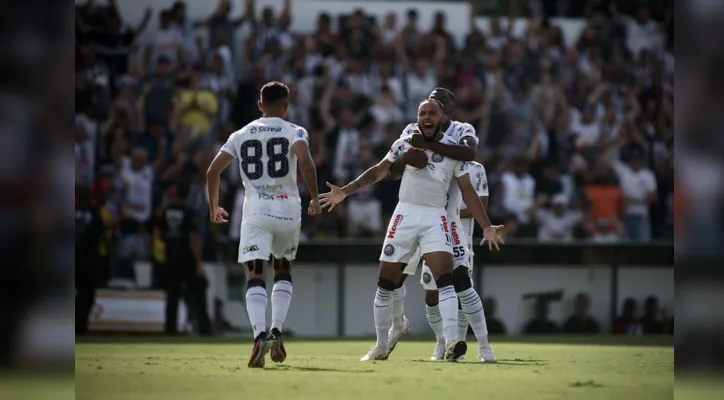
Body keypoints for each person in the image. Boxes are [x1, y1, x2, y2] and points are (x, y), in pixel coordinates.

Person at [319, 99, 504, 362]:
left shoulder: (454, 151)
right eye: (422, 113)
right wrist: (345, 192)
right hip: (404, 214)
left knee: (447, 279)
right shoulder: (405, 141)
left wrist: (485, 226)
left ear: (442, 118)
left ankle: (452, 343)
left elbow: (467, 190)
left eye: (432, 113)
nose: (426, 117)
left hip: (436, 216)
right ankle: (381, 345)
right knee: (386, 283)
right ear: (417, 118)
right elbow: (380, 171)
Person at [205, 81, 321, 368]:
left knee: (255, 273)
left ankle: (259, 335)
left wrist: (214, 206)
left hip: (256, 211)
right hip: (288, 210)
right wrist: (316, 198)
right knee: (283, 269)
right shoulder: (295, 130)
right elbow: (306, 163)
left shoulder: (240, 134)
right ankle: (277, 330)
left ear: (259, 105)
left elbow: (212, 171)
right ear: (286, 107)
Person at [386, 88, 496, 362]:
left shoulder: (462, 134)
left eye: (441, 102)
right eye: (430, 102)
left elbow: (469, 153)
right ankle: (435, 340)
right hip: (415, 217)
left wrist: (487, 225)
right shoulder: (414, 128)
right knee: (418, 283)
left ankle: (483, 347)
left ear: (449, 112)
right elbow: (393, 165)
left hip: (450, 224)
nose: (433, 106)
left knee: (461, 284)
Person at [159, 182, 212, 336]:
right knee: (199, 292)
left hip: (170, 257)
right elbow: (193, 237)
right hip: (187, 258)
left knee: (172, 297)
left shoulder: (165, 211)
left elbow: (160, 234)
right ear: (188, 195)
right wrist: (199, 262)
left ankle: (170, 329)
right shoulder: (189, 212)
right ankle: (204, 328)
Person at [75, 187, 105, 336]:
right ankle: (80, 327)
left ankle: (78, 327)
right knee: (86, 296)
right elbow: (101, 234)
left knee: (84, 296)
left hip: (78, 259)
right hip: (88, 260)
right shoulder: (94, 213)